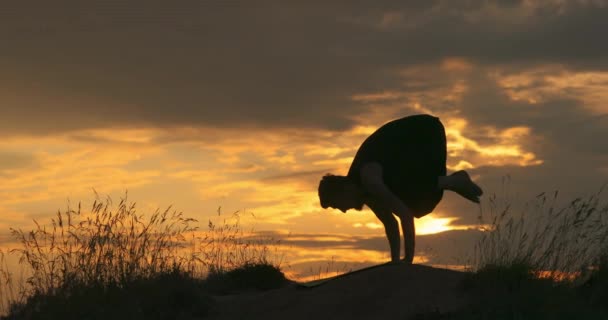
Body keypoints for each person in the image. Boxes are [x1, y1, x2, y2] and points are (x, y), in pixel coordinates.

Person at [318, 114, 483, 265]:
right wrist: (395, 261)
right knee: (410, 203)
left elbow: (404, 214)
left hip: (423, 132)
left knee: (410, 202)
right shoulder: (367, 193)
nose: (343, 211)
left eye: (336, 205)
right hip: (409, 145)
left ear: (342, 191)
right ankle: (453, 181)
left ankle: (454, 181)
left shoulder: (369, 179)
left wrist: (408, 260)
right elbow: (390, 223)